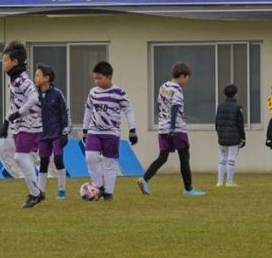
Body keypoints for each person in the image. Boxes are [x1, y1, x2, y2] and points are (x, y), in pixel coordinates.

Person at [137, 62, 204, 196]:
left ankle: (144, 179)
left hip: (162, 127)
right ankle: (188, 189)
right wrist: (173, 128)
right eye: (187, 77)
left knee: (162, 157)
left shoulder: (163, 87)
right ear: (183, 76)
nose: (187, 80)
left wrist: (163, 122)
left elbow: (159, 106)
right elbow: (174, 108)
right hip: (177, 128)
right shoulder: (177, 89)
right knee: (184, 157)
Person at [83, 61, 137, 201]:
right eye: (95, 78)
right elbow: (88, 110)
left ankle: (108, 193)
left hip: (111, 132)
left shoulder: (119, 92)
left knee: (109, 162)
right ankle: (99, 187)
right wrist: (85, 129)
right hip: (94, 131)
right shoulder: (93, 92)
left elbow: (128, 110)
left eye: (99, 78)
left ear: (109, 77)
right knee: (90, 158)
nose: (96, 81)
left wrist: (132, 129)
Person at [1, 40, 43, 208]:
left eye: (5, 60)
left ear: (15, 62)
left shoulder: (22, 80)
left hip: (30, 124)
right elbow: (14, 103)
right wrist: (6, 120)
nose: (3, 64)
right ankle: (36, 191)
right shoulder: (14, 80)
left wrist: (19, 113)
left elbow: (34, 98)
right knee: (22, 156)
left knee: (20, 156)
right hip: (21, 124)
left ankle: (36, 193)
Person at [33, 63, 71, 200]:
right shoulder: (33, 95)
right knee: (43, 163)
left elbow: (65, 113)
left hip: (57, 134)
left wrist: (65, 132)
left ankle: (61, 190)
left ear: (47, 78)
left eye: (38, 75)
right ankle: (40, 192)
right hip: (42, 135)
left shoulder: (57, 94)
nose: (35, 77)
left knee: (58, 160)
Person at [214, 84, 246, 187]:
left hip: (222, 136)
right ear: (235, 94)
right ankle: (229, 182)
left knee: (222, 158)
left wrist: (220, 134)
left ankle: (219, 182)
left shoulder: (220, 106)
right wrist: (243, 138)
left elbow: (217, 123)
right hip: (234, 136)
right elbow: (240, 124)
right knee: (231, 159)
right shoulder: (237, 107)